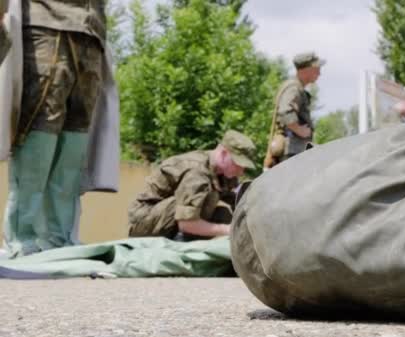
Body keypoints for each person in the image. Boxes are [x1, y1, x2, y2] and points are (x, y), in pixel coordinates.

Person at [3, 1, 115, 257]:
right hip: (46, 24)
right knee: (40, 125)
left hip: (92, 32)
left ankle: (59, 238)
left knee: (76, 136)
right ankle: (22, 239)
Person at [128, 130, 256, 241]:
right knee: (206, 201)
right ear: (223, 154)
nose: (241, 171)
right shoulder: (196, 173)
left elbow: (236, 202)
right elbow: (186, 223)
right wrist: (227, 230)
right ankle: (178, 246)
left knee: (224, 215)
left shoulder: (223, 174)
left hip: (166, 220)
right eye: (238, 163)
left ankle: (186, 242)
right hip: (144, 222)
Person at [265, 52, 324, 168]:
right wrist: (299, 130)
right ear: (305, 70)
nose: (319, 73)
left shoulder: (297, 87)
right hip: (292, 150)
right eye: (316, 69)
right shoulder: (294, 88)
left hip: (295, 150)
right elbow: (285, 112)